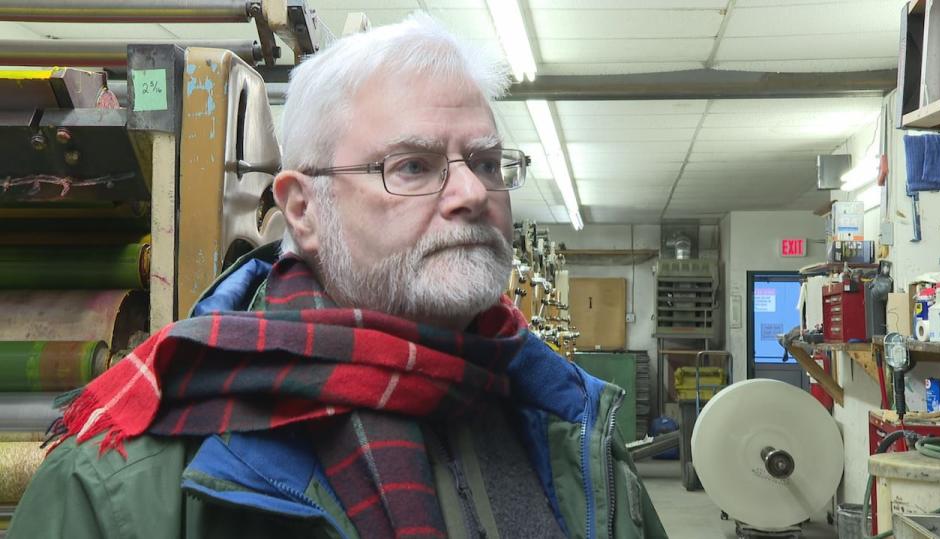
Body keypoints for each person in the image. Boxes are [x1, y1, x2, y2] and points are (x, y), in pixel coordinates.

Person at [9, 14, 665, 539]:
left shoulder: (575, 435)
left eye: (488, 163)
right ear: (303, 208)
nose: (471, 192)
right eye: (412, 166)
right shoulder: (129, 486)